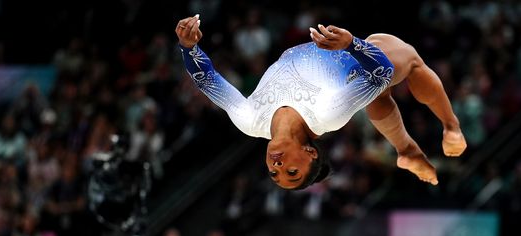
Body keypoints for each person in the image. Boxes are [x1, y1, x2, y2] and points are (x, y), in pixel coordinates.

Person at [175, 15, 467, 190]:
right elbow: (382, 73)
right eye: (292, 172)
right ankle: (451, 127)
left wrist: (189, 47)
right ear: (310, 153)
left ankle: (406, 150)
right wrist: (352, 43)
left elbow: (207, 80)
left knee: (377, 96)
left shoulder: (249, 121)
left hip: (339, 51)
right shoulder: (326, 115)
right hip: (359, 57)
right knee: (411, 60)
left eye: (274, 174)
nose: (278, 167)